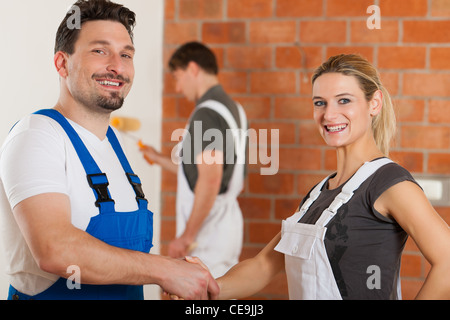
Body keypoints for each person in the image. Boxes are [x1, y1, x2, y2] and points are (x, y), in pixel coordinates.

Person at [0, 0, 218, 300]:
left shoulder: (114, 144)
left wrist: (173, 278)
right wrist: (166, 271)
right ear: (62, 63)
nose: (117, 66)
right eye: (100, 51)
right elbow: (55, 249)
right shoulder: (36, 135)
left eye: (126, 54)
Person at [189, 54, 450, 300]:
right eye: (320, 103)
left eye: (344, 100)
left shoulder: (388, 183)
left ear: (374, 103)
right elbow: (263, 266)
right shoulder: (319, 194)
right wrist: (208, 288)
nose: (329, 114)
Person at [139, 42, 248, 278]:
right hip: (226, 224)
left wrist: (187, 236)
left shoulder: (206, 114)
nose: (178, 88)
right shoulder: (233, 108)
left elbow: (210, 179)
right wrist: (157, 158)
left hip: (206, 234)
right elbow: (206, 170)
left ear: (193, 69)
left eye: (177, 78)